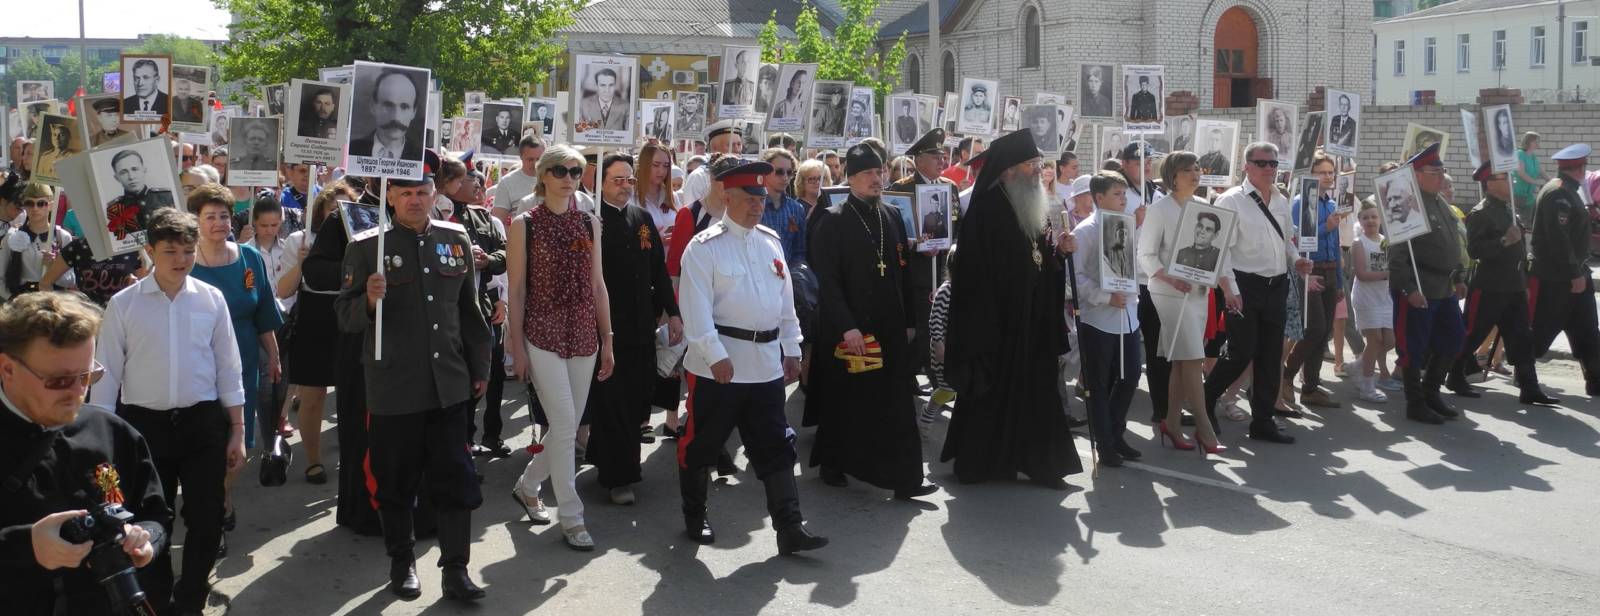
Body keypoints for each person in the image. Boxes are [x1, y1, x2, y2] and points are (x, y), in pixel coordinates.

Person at [336, 151, 492, 601]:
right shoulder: (367, 246)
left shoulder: (455, 237)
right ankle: (401, 563)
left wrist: (480, 366)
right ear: (390, 195)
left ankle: (456, 570)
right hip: (394, 388)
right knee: (395, 483)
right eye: (406, 192)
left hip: (448, 385)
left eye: (423, 192)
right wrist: (366, 299)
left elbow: (469, 310)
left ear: (433, 193)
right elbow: (344, 317)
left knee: (455, 480)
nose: (415, 200)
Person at [90, 208, 246, 614]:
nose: (180, 260)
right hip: (144, 429)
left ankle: (190, 599)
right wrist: (102, 443)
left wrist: (238, 430)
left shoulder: (211, 299)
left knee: (207, 518)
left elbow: (229, 366)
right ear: (150, 251)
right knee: (150, 523)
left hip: (202, 424)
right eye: (170, 251)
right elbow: (105, 377)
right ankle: (156, 600)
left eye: (188, 251)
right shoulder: (124, 305)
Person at [674, 158, 827, 553]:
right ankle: (695, 514)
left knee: (776, 444)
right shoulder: (703, 247)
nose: (757, 204)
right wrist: (714, 355)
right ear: (727, 197)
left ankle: (790, 527)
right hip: (719, 367)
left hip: (764, 365)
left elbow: (785, 306)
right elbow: (695, 310)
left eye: (761, 196)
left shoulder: (770, 242)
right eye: (748, 196)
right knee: (703, 444)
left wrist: (792, 350)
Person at [0, 291, 169, 616]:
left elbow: (156, 514)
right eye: (59, 380)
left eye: (88, 376)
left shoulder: (111, 430)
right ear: (8, 369)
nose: (77, 393)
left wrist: (145, 540)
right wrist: (26, 545)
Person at [941, 129, 1083, 482]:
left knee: (1038, 390)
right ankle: (985, 461)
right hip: (998, 325)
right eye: (1030, 164)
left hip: (1031, 319)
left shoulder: (1031, 205)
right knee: (995, 393)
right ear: (1007, 169)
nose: (1038, 171)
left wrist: (1058, 253)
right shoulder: (986, 210)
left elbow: (1037, 258)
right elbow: (972, 275)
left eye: (1038, 164)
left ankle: (1041, 464)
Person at [805, 143, 937, 500]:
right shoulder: (832, 221)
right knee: (847, 400)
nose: (877, 179)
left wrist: (910, 319)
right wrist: (848, 326)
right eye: (868, 174)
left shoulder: (892, 215)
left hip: (890, 326)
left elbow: (902, 271)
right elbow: (827, 281)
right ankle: (834, 462)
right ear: (850, 179)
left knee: (896, 402)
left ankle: (906, 477)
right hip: (849, 330)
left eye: (880, 172)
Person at [508, 144, 613, 550]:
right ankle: (571, 514)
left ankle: (529, 484)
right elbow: (516, 290)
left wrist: (608, 340)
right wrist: (517, 347)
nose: (569, 178)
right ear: (544, 175)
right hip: (542, 331)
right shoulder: (524, 223)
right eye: (561, 170)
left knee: (566, 425)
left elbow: (598, 285)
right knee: (567, 424)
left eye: (576, 171)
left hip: (584, 331)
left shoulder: (590, 223)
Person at [186, 187, 284, 539]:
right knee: (206, 441)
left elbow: (264, 312)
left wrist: (272, 355)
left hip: (242, 361)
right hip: (195, 362)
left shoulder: (249, 257)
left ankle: (222, 496)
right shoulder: (184, 261)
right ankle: (211, 510)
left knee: (237, 442)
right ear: (195, 221)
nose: (218, 223)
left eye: (224, 215)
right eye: (209, 216)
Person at [587, 153, 680, 505]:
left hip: (642, 325)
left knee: (638, 396)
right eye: (616, 180)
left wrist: (673, 312)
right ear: (601, 181)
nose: (624, 187)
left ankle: (605, 455)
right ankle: (619, 476)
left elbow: (658, 267)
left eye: (628, 180)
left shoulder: (641, 218)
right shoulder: (590, 221)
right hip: (607, 327)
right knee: (615, 401)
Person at [1203, 142, 1310, 443]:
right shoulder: (1230, 201)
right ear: (1246, 166)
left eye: (1274, 164)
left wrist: (1296, 259)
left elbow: (1285, 240)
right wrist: (1229, 289)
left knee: (1269, 355)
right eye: (1262, 163)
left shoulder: (1280, 200)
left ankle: (1262, 420)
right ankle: (1205, 399)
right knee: (1241, 353)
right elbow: (1219, 250)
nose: (1269, 169)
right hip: (1244, 284)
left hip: (1276, 284)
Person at [1445, 162, 1560, 404]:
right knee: (1472, 334)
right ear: (1490, 183)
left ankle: (1529, 387)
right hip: (1489, 286)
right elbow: (1475, 250)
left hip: (1514, 285)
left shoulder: (1510, 209)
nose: (1511, 183)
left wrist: (1524, 280)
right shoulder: (1480, 213)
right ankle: (1454, 375)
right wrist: (1504, 241)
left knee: (1522, 336)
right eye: (1505, 179)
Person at [1138, 152, 1226, 459]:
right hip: (1168, 293)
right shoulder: (1159, 209)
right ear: (1173, 175)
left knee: (1180, 360)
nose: (1195, 174)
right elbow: (1145, 255)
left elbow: (1218, 256)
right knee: (1192, 356)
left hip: (1199, 295)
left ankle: (1172, 423)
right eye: (1187, 170)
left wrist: (1228, 285)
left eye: (1197, 169)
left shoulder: (1204, 208)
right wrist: (1170, 279)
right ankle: (1204, 426)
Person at [275, 182, 356, 484]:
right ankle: (312, 459)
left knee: (353, 395)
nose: (338, 213)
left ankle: (353, 454)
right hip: (315, 319)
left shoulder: (363, 239)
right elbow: (283, 290)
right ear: (321, 210)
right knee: (312, 397)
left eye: (345, 208)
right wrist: (302, 263)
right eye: (332, 207)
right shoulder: (300, 239)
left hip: (350, 317)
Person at [1386, 144, 1468, 424]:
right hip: (1419, 286)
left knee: (1453, 340)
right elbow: (1396, 256)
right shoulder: (1404, 203)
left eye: (1443, 170)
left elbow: (1452, 244)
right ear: (1417, 175)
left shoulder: (1439, 200)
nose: (1442, 176)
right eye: (1435, 171)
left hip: (1443, 287)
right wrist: (1409, 290)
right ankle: (1416, 403)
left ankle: (1432, 392)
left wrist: (1458, 276)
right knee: (1413, 348)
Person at [1529, 143, 1600, 396]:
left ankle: (1596, 380)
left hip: (1576, 273)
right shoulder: (1558, 193)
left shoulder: (1570, 190)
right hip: (1557, 277)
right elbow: (1558, 239)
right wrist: (1573, 273)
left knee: (1588, 329)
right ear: (1580, 168)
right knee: (1543, 329)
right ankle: (1525, 378)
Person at [1281, 154, 1345, 410]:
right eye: (1322, 172)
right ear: (1311, 174)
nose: (1328, 177)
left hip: (1330, 270)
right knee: (1314, 328)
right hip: (1310, 269)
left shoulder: (1331, 204)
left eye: (1331, 173)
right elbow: (1297, 239)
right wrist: (1324, 226)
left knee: (1324, 331)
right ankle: (1287, 374)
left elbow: (1336, 245)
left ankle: (1310, 387)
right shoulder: (1299, 202)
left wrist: (1339, 282)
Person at [1349, 200, 1396, 402]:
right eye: (1365, 217)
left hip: (1385, 298)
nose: (1370, 220)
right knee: (1374, 340)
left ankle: (1357, 366)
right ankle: (1367, 387)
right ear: (1359, 221)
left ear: (1381, 219)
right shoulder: (1359, 243)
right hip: (1365, 298)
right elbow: (1361, 274)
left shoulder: (1386, 241)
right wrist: (1389, 274)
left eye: (1374, 216)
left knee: (1389, 341)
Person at [4, 183, 73, 296]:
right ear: (24, 206)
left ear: (51, 206)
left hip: (52, 301)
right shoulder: (12, 235)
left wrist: (54, 268)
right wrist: (12, 301)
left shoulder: (63, 237)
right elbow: (1, 276)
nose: (35, 208)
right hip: (22, 301)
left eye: (41, 203)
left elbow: (70, 280)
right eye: (29, 203)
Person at [102, 150, 177, 246]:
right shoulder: (112, 209)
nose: (131, 177)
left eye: (134, 169)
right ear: (117, 178)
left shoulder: (167, 196)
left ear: (144, 170)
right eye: (123, 172)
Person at [350, 69, 423, 160]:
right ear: (373, 107)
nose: (396, 117)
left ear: (414, 112)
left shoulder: (421, 158)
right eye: (388, 105)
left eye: (404, 107)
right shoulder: (351, 150)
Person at [759, 148, 809, 265]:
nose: (785, 177)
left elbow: (799, 252)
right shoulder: (754, 206)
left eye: (789, 172)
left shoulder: (797, 209)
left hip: (787, 274)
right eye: (779, 172)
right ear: (765, 173)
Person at [491, 136, 546, 220]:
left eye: (539, 159)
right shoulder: (507, 182)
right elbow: (499, 221)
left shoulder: (555, 179)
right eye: (530, 159)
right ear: (520, 156)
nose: (535, 164)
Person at [1512, 132, 1542, 223]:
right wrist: (1537, 183)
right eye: (1536, 141)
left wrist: (1550, 180)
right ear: (1529, 142)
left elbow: (1540, 170)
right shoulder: (1520, 154)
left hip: (1529, 195)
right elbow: (1521, 173)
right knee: (1520, 221)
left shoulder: (1533, 156)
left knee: (1529, 220)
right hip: (1518, 194)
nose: (1538, 143)